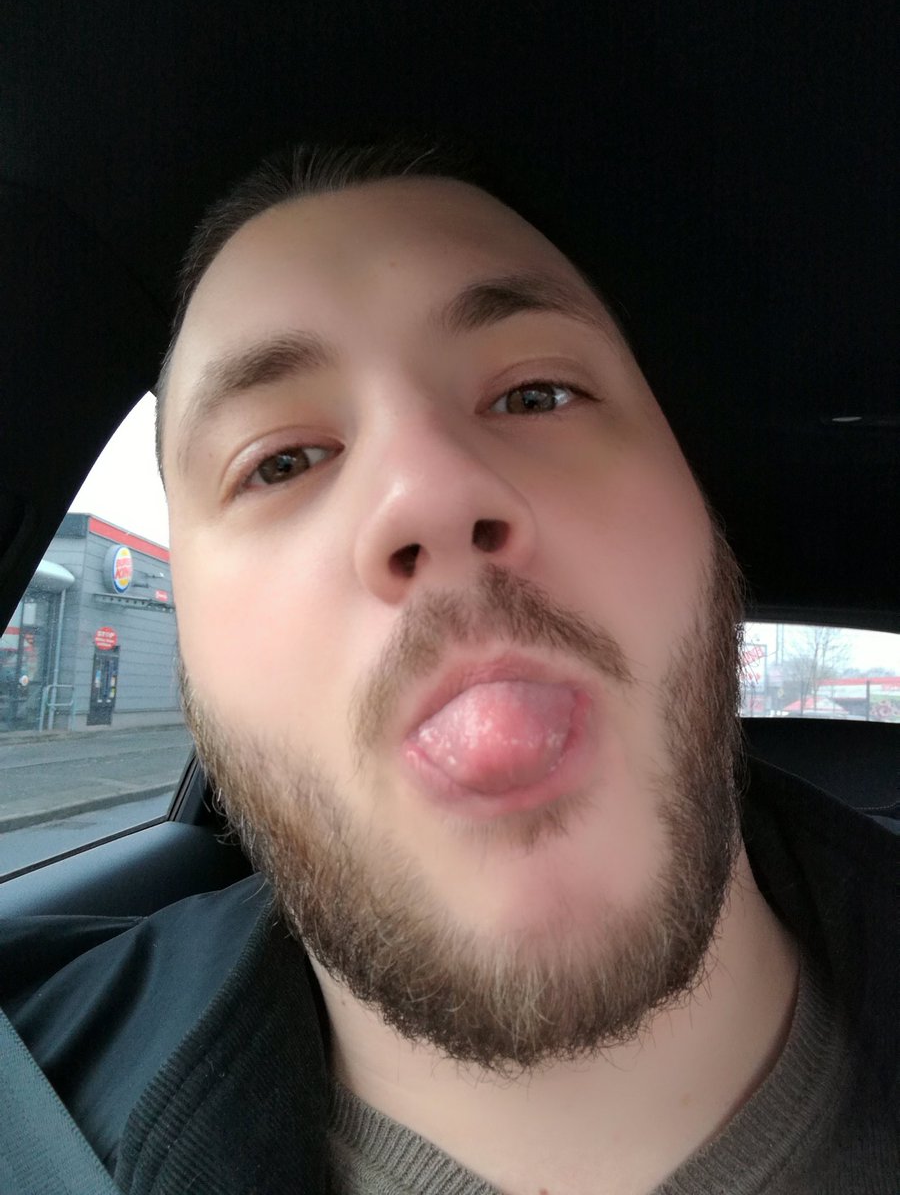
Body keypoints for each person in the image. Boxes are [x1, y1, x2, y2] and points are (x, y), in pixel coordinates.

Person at [2, 143, 897, 1195]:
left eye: (536, 395)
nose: (427, 494)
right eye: (280, 462)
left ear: (705, 521)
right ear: (190, 646)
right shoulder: (29, 1107)